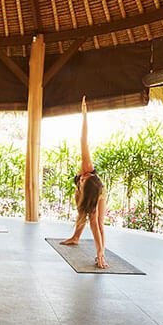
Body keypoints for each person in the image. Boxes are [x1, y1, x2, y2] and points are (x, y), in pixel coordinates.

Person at [60, 97, 108, 269]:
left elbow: (94, 226)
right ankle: (75, 237)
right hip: (89, 191)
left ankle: (101, 252)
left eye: (82, 181)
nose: (80, 178)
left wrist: (99, 253)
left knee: (97, 222)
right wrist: (84, 115)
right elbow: (83, 139)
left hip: (98, 194)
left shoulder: (96, 194)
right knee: (81, 213)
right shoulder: (86, 166)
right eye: (82, 179)